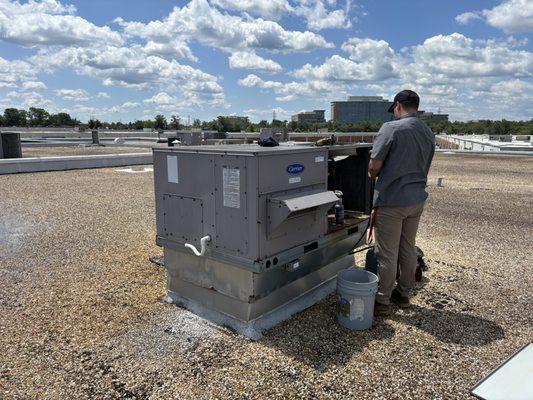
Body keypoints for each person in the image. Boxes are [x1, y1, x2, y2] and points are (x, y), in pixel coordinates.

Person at [368, 90, 435, 316]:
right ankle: (404, 293)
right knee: (407, 247)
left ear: (397, 106)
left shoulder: (391, 128)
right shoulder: (427, 131)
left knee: (386, 252)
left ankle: (381, 301)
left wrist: (371, 175)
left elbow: (374, 166)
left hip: (392, 200)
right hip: (416, 199)